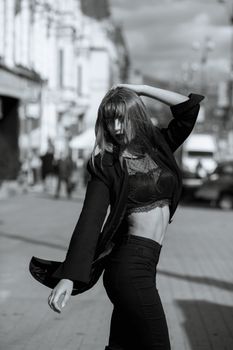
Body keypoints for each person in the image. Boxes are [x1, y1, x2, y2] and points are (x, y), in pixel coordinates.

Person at [46, 84, 204, 349]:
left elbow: (189, 109)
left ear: (135, 115)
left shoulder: (158, 145)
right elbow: (90, 219)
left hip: (147, 265)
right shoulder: (106, 163)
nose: (116, 127)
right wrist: (69, 276)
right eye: (109, 121)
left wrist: (140, 89)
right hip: (128, 268)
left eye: (121, 118)